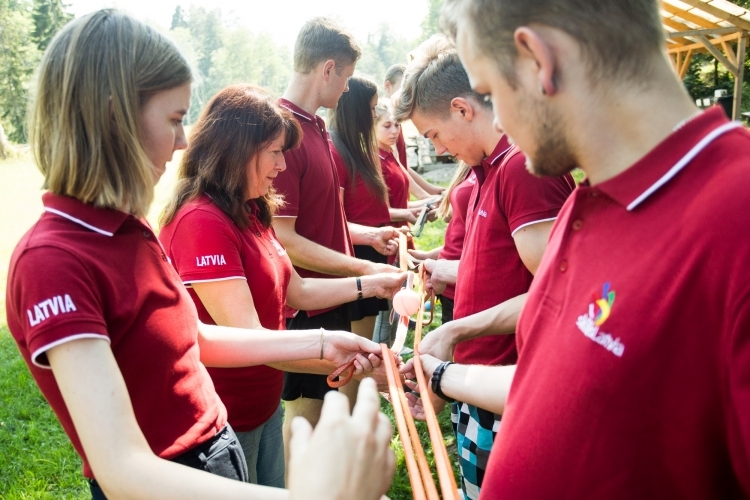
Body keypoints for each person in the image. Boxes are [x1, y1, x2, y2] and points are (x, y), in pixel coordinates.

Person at [5, 10, 394, 500]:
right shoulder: (54, 259)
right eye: (174, 119)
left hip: (214, 451)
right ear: (113, 118)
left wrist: (321, 344)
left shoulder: (130, 230)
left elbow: (196, 338)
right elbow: (123, 468)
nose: (185, 139)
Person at [405, 0, 750, 498]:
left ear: (539, 61)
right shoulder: (585, 206)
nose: (496, 118)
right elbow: (552, 387)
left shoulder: (734, 222)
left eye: (489, 92)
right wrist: (442, 377)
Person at [159, 83, 405, 488]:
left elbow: (299, 293)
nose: (282, 166)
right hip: (227, 413)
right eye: (274, 152)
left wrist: (372, 284)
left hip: (265, 402)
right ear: (237, 150)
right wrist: (347, 361)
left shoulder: (250, 210)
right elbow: (249, 338)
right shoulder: (201, 222)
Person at [393, 35, 574, 499]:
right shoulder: (487, 168)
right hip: (478, 379)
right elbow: (505, 264)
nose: (436, 148)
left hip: (508, 385)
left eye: (432, 135)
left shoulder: (519, 168)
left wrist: (456, 332)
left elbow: (557, 293)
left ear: (462, 108)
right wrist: (449, 273)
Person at [271, 17, 401, 466]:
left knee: (328, 415)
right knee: (304, 424)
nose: (347, 89)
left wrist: (368, 237)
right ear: (328, 69)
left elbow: (330, 222)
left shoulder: (319, 131)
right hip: (304, 304)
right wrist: (364, 270)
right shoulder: (283, 135)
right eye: (345, 77)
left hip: (334, 295)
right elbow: (284, 239)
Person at [407, 160, 475, 324]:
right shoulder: (471, 167)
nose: (440, 152)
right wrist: (431, 255)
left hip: (465, 281)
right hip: (448, 278)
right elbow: (461, 233)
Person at [383, 63, 444, 198]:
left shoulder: (395, 123)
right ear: (388, 86)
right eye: (403, 90)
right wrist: (424, 196)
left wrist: (431, 189)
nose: (407, 97)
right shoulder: (384, 125)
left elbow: (403, 165)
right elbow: (396, 166)